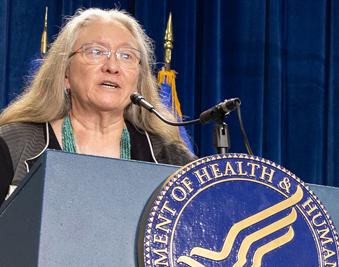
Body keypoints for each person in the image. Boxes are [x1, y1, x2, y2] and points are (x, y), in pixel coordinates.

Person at [0, 8, 197, 201]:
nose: (112, 66)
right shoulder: (13, 145)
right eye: (96, 52)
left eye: (127, 56)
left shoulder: (170, 158)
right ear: (65, 73)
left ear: (138, 81)